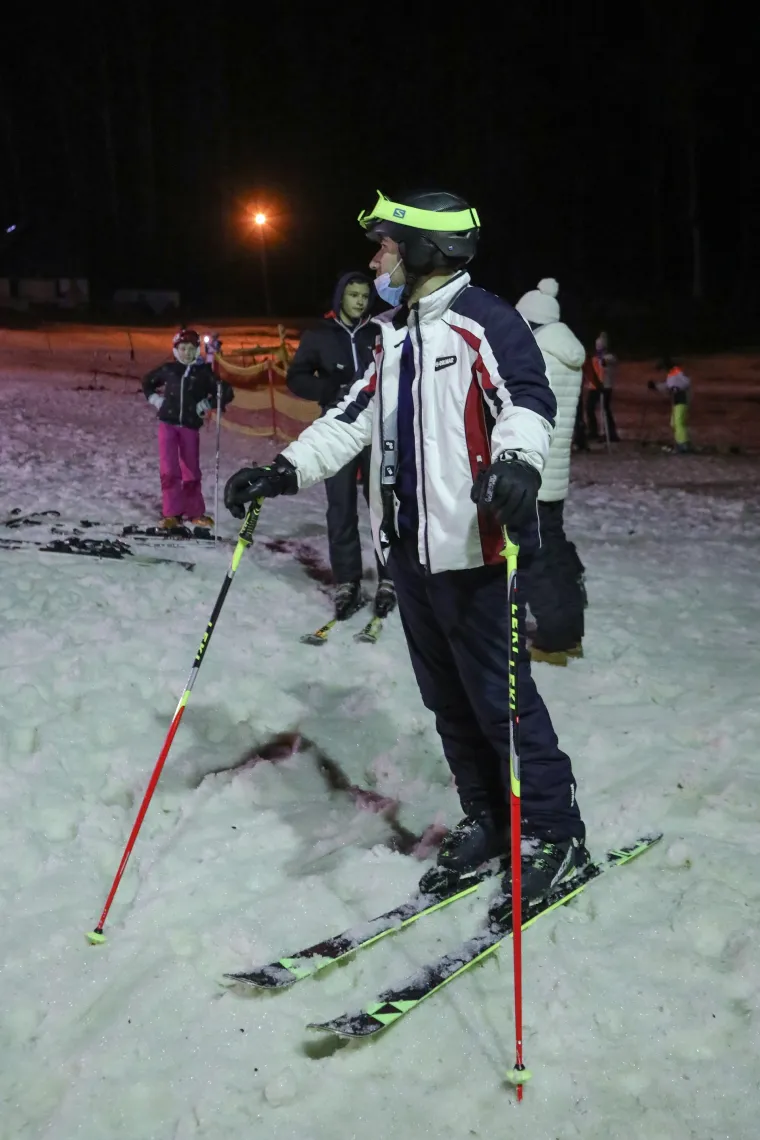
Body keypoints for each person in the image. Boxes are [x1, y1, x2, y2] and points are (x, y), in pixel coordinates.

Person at [225, 190, 587, 902]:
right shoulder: (393, 334)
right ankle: (487, 817)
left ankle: (554, 832)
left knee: (501, 702)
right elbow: (349, 418)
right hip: (411, 559)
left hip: (477, 556)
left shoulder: (485, 319)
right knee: (447, 702)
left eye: (387, 245)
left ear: (428, 249)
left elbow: (527, 399)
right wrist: (283, 468)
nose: (375, 258)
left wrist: (516, 462)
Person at [286, 273, 396, 619]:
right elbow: (297, 376)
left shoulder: (378, 332)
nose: (360, 301)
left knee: (384, 505)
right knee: (341, 506)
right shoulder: (321, 335)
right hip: (337, 429)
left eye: (364, 295)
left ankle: (391, 578)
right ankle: (348, 580)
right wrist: (326, 388)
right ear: (340, 298)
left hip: (377, 428)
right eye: (353, 295)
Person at [515, 279, 587, 666]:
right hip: (555, 474)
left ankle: (554, 640)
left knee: (536, 557)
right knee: (555, 552)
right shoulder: (568, 351)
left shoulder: (538, 353)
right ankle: (570, 631)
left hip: (535, 468)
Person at [142, 328, 234, 528]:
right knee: (169, 470)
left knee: (191, 471)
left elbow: (226, 392)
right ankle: (171, 514)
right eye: (182, 348)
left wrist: (207, 404)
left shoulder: (203, 373)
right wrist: (156, 399)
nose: (186, 353)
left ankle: (195, 512)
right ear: (176, 350)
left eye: (191, 349)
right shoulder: (169, 369)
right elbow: (147, 382)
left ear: (196, 350)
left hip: (190, 427)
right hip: (168, 424)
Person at [647, 357, 692, 453]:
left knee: (678, 423)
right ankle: (680, 442)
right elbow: (667, 387)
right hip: (676, 401)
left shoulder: (677, 371)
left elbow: (686, 382)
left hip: (681, 399)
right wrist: (655, 386)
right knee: (674, 423)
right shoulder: (671, 374)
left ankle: (683, 444)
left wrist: (677, 388)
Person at [586, 331, 619, 442]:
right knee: (589, 408)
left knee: (605, 410)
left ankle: (610, 433)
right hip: (595, 385)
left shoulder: (610, 357)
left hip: (605, 386)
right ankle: (593, 431)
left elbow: (604, 362)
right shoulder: (596, 358)